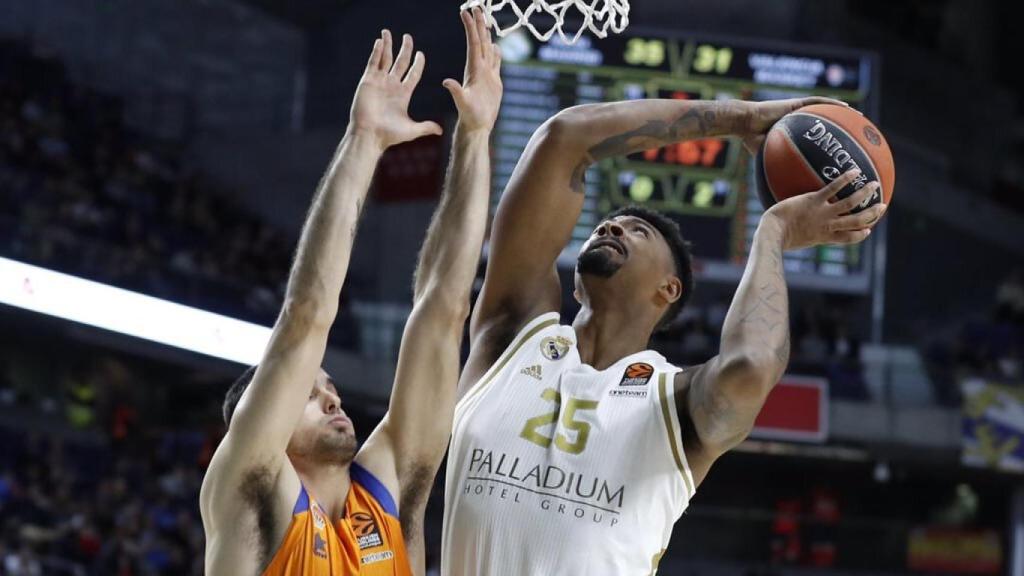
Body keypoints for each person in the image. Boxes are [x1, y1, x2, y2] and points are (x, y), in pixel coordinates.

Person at [441, 95, 886, 574]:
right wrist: (742, 117)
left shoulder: (675, 402)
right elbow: (563, 138)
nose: (611, 228)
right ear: (575, 283)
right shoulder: (510, 337)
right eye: (605, 226)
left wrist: (773, 233)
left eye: (638, 231)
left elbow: (753, 365)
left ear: (668, 289)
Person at [201, 11, 502, 575]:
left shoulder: (389, 494)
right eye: (310, 394)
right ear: (263, 416)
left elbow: (445, 310)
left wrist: (476, 136)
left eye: (330, 389)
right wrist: (363, 141)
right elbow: (306, 317)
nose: (333, 401)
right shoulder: (253, 494)